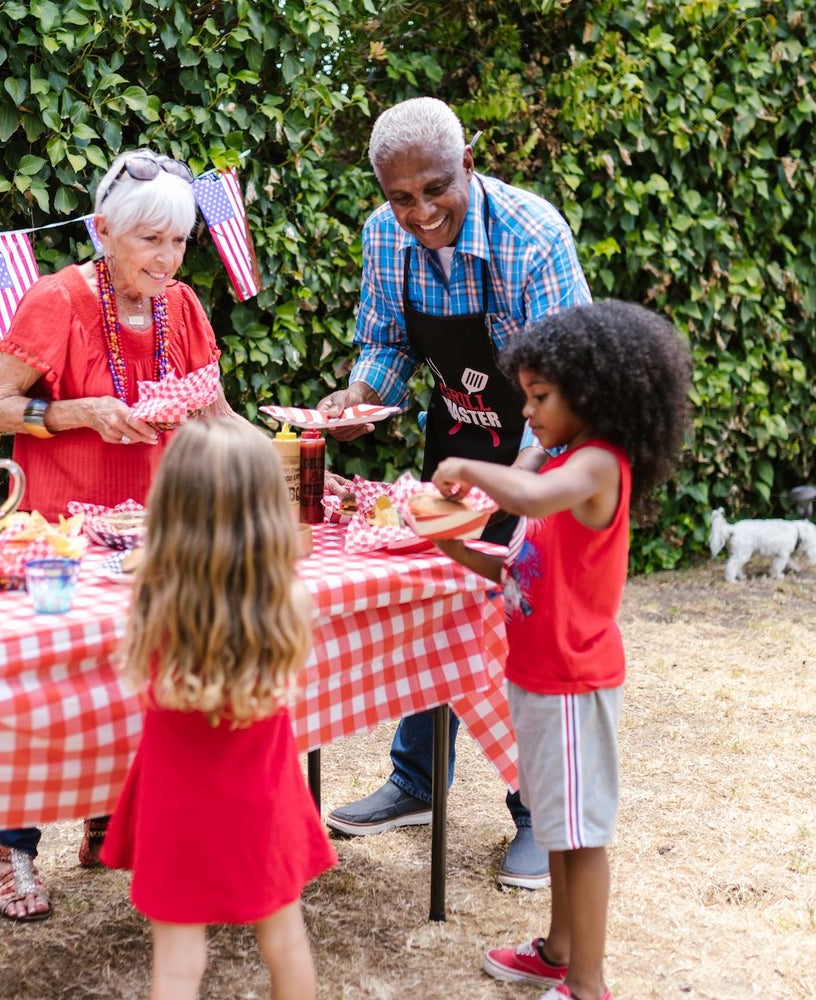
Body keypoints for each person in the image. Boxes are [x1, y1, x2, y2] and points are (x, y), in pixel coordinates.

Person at [317, 95, 591, 889]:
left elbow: (567, 385)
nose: (419, 212)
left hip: (545, 443)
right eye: (400, 197)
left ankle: (541, 812)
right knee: (438, 600)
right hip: (460, 440)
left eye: (435, 188)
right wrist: (357, 401)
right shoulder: (382, 235)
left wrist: (519, 496)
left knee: (525, 622)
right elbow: (385, 341)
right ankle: (417, 780)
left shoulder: (530, 236)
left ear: (468, 164)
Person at [0, 147, 245, 921]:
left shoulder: (185, 308)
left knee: (141, 676)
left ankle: (107, 826)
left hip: (155, 532)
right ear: (102, 231)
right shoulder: (57, 299)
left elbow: (213, 412)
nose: (167, 259)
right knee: (44, 687)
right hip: (58, 535)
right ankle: (15, 849)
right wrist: (76, 412)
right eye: (149, 241)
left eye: (179, 241)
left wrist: (283, 455)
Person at [428, 299, 691, 1000]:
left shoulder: (599, 465)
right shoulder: (570, 457)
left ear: (594, 392)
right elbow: (523, 566)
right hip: (539, 676)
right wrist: (458, 550)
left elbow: (537, 499)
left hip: (575, 681)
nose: (529, 415)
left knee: (582, 835)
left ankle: (588, 983)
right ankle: (556, 951)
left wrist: (468, 465)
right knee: (556, 825)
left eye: (541, 398)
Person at [99, 418, 337, 1000]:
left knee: (178, 966)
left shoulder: (152, 599)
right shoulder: (288, 600)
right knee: (286, 944)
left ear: (171, 507)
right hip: (262, 797)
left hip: (175, 806)